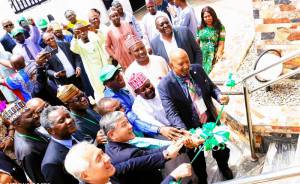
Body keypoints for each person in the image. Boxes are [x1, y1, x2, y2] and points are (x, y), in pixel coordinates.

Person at [158, 48, 233, 182]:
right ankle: (203, 179)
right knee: (198, 161)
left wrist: (219, 96)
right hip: (190, 130)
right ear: (171, 65)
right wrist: (186, 133)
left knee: (221, 150)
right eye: (181, 64)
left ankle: (224, 167)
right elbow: (171, 112)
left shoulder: (197, 69)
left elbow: (211, 87)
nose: (186, 66)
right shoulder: (165, 85)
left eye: (187, 61)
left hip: (210, 121)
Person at [101, 111, 194, 184]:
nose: (130, 126)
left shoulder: (110, 145)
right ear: (112, 134)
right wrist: (184, 143)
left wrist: (180, 141)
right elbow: (150, 155)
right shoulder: (127, 155)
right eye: (124, 125)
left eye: (127, 122)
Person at [100, 64, 183, 139]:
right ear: (107, 84)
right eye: (117, 77)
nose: (120, 77)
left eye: (119, 73)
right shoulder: (113, 100)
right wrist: (160, 129)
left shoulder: (121, 90)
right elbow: (134, 120)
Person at [2, 100, 48, 183]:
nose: (36, 116)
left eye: (33, 112)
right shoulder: (27, 151)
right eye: (30, 115)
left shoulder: (30, 129)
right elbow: (40, 180)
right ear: (18, 124)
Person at [40, 105, 79, 184]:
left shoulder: (74, 133)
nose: (69, 120)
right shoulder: (51, 163)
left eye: (68, 116)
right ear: (51, 131)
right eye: (61, 121)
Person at [71, 23, 110, 99]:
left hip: (104, 66)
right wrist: (75, 37)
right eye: (79, 31)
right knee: (101, 91)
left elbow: (103, 39)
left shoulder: (94, 37)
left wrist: (95, 30)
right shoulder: (78, 44)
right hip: (94, 72)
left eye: (83, 30)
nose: (82, 32)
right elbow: (73, 48)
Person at [196, 6, 225, 74]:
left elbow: (221, 43)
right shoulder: (200, 27)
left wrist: (218, 53)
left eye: (209, 16)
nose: (207, 18)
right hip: (202, 55)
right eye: (205, 17)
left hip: (213, 55)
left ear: (213, 15)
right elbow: (197, 41)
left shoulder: (220, 27)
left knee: (211, 74)